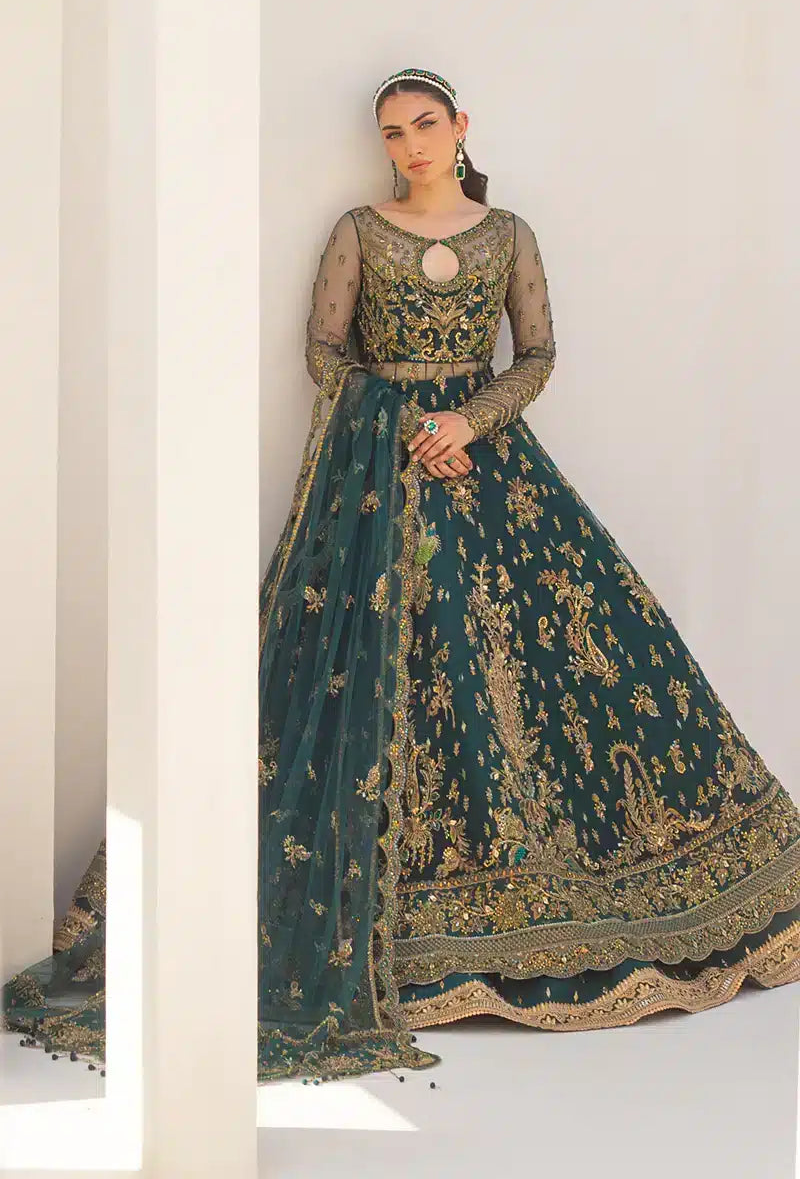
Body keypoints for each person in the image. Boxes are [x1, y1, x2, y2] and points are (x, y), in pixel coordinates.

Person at [5, 67, 800, 1087]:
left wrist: (467, 422)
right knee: (375, 677)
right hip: (377, 483)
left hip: (486, 464)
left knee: (562, 664)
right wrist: (399, 426)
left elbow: (538, 353)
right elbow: (324, 351)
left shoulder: (508, 234)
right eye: (392, 131)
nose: (410, 143)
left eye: (425, 123)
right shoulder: (358, 231)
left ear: (460, 126)